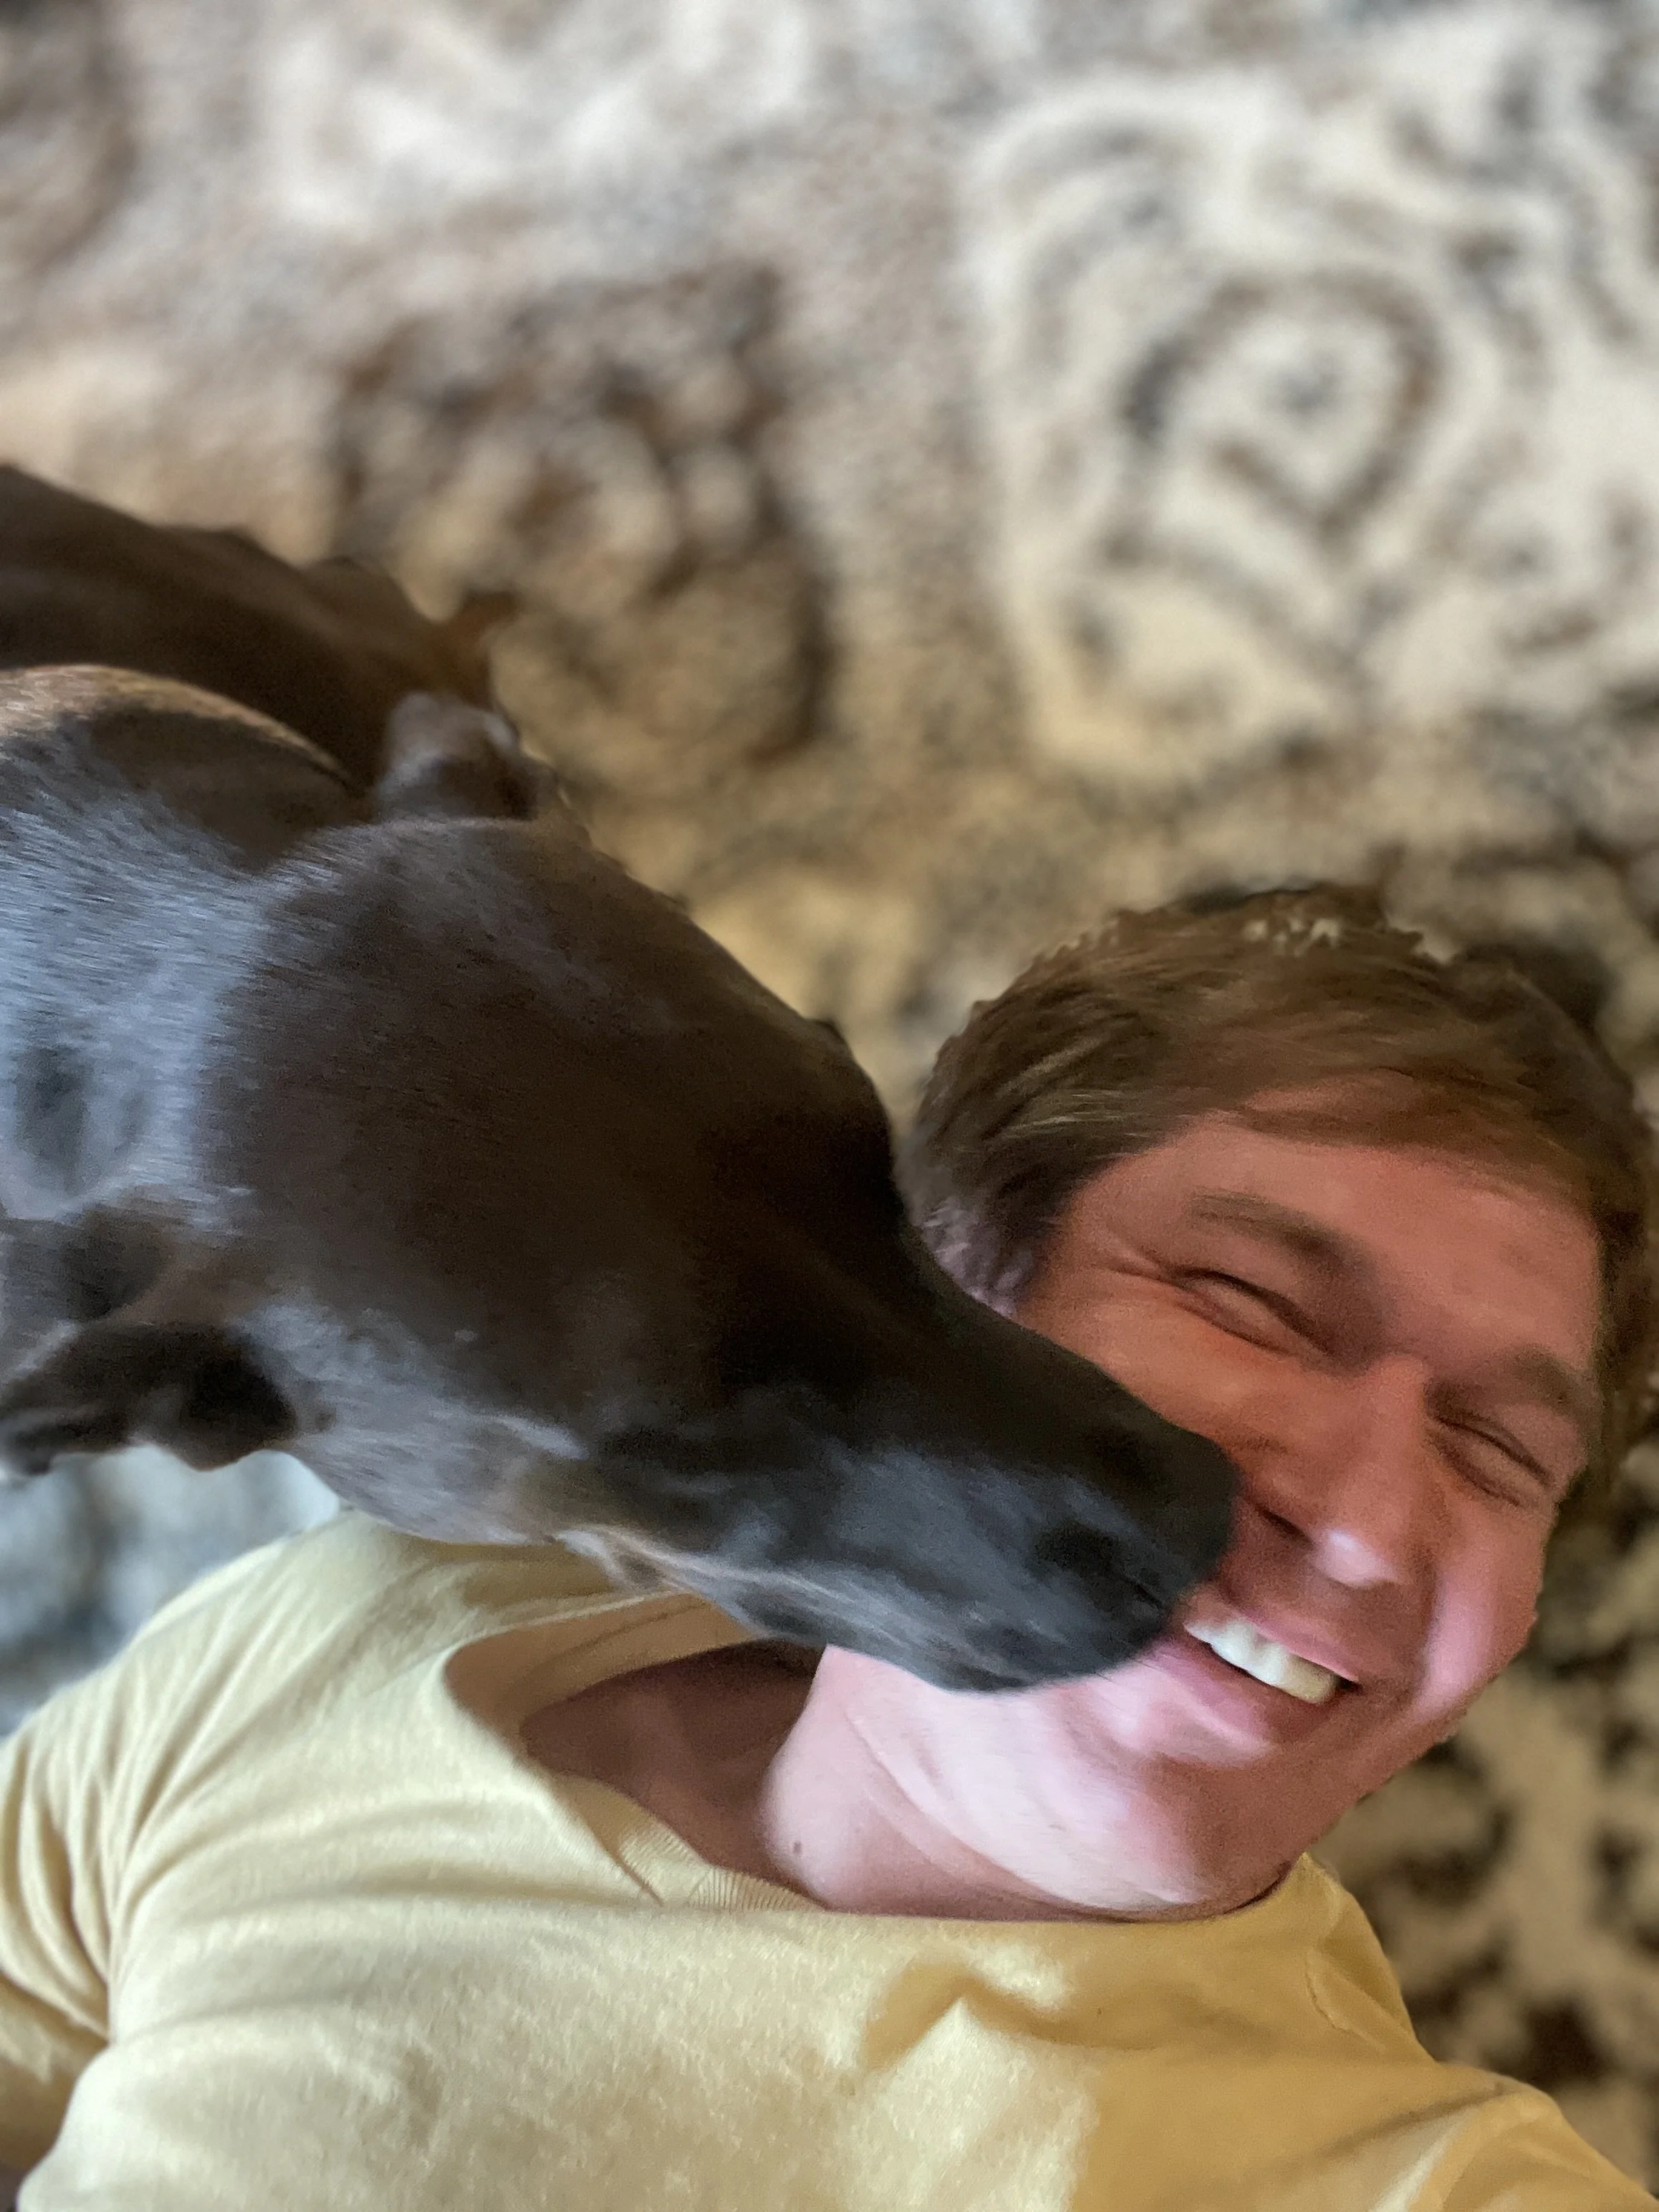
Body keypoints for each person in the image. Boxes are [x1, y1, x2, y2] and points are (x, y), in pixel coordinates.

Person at [1, 888, 1655, 2208]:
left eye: (1499, 1449)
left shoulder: (1435, 2181)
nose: (1368, 1521)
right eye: (1251, 1302)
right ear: (934, 1287)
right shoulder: (351, 1633)